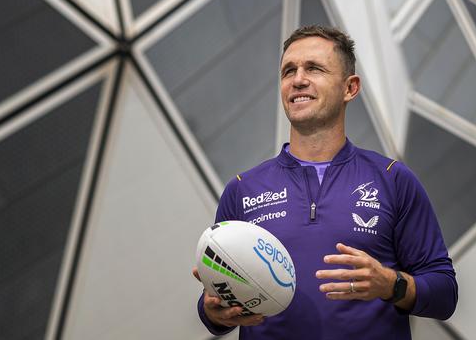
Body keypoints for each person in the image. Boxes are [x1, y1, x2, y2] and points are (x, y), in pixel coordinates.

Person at [192, 25, 457, 339]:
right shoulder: (243, 189)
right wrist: (213, 311)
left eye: (314, 68)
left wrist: (390, 284)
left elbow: (444, 293)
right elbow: (215, 309)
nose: (298, 79)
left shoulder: (392, 179)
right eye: (288, 70)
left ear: (350, 88)